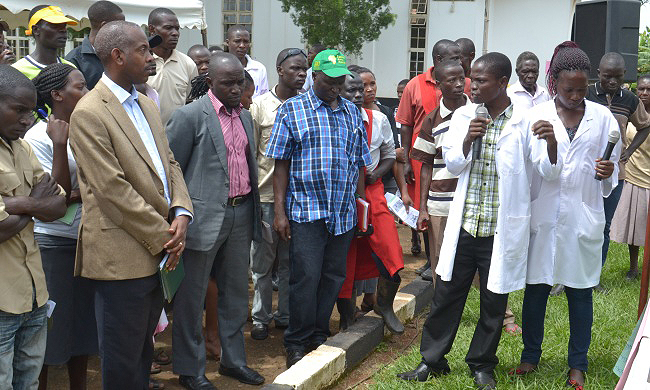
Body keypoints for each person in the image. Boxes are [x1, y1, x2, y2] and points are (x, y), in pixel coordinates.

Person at [397, 52, 558, 389]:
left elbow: (547, 171)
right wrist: (469, 137)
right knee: (446, 298)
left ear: (502, 83)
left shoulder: (527, 118)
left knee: (493, 302)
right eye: (473, 78)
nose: (472, 86)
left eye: (481, 80)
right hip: (467, 223)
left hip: (501, 228)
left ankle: (482, 364)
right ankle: (432, 360)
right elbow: (453, 164)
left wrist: (553, 143)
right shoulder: (465, 115)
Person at [68, 20, 193, 390]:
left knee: (142, 351)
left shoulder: (146, 104)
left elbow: (169, 163)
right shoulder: (89, 112)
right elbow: (111, 191)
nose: (151, 55)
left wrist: (182, 211)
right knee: (122, 361)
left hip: (161, 246)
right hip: (122, 255)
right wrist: (167, 238)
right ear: (118, 56)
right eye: (143, 49)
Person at [509, 42, 619, 390]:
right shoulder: (534, 115)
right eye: (569, 89)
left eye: (582, 89)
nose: (575, 96)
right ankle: (530, 357)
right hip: (542, 215)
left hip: (582, 216)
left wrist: (607, 170)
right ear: (555, 82)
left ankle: (578, 365)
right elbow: (529, 168)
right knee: (536, 289)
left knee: (580, 291)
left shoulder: (602, 117)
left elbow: (610, 171)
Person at [266, 49, 371, 368]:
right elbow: (280, 165)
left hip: (342, 212)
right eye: (330, 82)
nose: (336, 88)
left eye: (340, 82)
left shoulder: (353, 113)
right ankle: (296, 340)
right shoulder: (292, 110)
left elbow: (359, 164)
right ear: (314, 77)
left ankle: (318, 334)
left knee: (333, 276)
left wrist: (361, 207)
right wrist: (280, 212)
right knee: (305, 277)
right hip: (306, 212)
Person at [166, 51, 265, 388]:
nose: (237, 88)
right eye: (228, 82)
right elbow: (171, 171)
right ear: (210, 82)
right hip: (201, 220)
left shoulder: (245, 117)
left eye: (240, 81)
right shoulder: (190, 116)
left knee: (236, 295)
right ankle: (190, 371)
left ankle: (233, 361)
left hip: (241, 214)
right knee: (191, 300)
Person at [26, 63, 97, 390]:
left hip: (87, 238)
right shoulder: (38, 137)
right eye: (79, 87)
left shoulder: (86, 126)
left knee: (82, 326)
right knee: (51, 326)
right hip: (54, 243)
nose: (86, 93)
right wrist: (59, 145)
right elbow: (54, 199)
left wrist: (80, 194)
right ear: (56, 95)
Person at [0, 64, 67, 390]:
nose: (29, 119)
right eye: (19, 110)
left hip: (34, 296)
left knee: (28, 384)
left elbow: (56, 206)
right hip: (2, 301)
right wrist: (35, 203)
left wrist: (16, 204)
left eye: (32, 111)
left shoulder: (22, 146)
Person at [337, 71, 408, 334]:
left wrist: (377, 173)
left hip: (374, 192)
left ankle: (384, 305)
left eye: (362, 89)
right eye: (352, 90)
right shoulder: (334, 120)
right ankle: (346, 317)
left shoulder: (378, 119)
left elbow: (391, 154)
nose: (358, 95)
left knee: (390, 249)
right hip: (343, 196)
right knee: (346, 258)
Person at [249, 48, 307, 341]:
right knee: (262, 262)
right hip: (266, 197)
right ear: (279, 69)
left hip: (299, 200)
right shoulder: (259, 106)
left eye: (305, 69)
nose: (301, 74)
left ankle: (284, 315)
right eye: (295, 68)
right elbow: (251, 153)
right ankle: (260, 317)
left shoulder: (309, 106)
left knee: (289, 263)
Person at [397, 39, 470, 271]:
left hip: (463, 179)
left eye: (460, 58)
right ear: (439, 61)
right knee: (430, 221)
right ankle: (432, 263)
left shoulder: (470, 92)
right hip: (427, 160)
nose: (460, 62)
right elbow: (406, 123)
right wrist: (407, 160)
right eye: (454, 58)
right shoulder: (415, 86)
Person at [587, 52, 650, 281]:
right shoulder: (587, 94)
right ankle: (565, 279)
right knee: (577, 224)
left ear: (624, 75)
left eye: (617, 77)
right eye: (607, 76)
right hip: (585, 171)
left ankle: (593, 277)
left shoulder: (630, 99)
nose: (612, 82)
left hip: (616, 174)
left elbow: (644, 126)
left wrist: (628, 152)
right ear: (598, 74)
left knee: (603, 226)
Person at [410, 60, 471, 288]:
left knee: (479, 262)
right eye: (451, 80)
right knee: (440, 263)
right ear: (438, 85)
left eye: (461, 79)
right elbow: (426, 165)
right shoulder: (431, 120)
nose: (458, 84)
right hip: (440, 203)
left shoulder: (478, 112)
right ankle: (441, 312)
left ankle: (502, 314)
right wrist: (423, 208)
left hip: (470, 202)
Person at [611, 74, 650, 280]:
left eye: (648, 90)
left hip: (649, 179)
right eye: (641, 89)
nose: (644, 93)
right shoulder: (631, 112)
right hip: (632, 177)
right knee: (633, 228)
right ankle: (634, 268)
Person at [147, 7, 199, 124]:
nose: (175, 33)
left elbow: (190, 102)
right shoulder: (140, 63)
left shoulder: (188, 64)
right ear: (152, 29)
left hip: (177, 137)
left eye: (177, 29)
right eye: (168, 28)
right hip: (146, 136)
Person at [65, 1, 124, 89]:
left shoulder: (121, 53)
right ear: (104, 26)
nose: (123, 30)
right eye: (120, 26)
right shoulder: (73, 60)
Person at [12, 5, 77, 79]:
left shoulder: (70, 68)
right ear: (36, 30)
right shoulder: (18, 71)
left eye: (64, 26)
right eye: (55, 25)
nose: (63, 30)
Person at [226, 25, 268, 98]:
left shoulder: (259, 69)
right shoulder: (219, 68)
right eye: (237, 41)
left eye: (246, 42)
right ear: (227, 43)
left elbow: (264, 98)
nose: (242, 45)